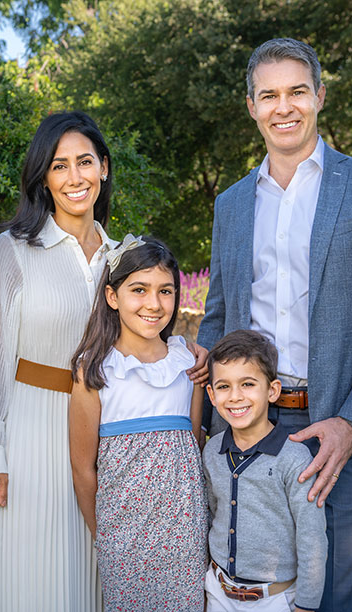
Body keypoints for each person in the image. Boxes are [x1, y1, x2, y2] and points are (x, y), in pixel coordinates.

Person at [197, 38, 352, 612]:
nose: (284, 106)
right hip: (249, 426)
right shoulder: (231, 204)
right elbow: (218, 319)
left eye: (297, 91)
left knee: (333, 598)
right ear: (251, 106)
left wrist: (351, 423)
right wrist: (201, 421)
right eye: (268, 95)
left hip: (335, 431)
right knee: (251, 591)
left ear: (319, 96)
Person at [0, 111, 208, 611]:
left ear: (105, 169)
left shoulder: (123, 257)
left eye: (85, 162)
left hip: (111, 436)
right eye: (59, 165)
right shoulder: (14, 249)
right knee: (37, 573)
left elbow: (148, 331)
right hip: (32, 428)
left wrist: (192, 352)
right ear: (43, 177)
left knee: (103, 572)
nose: (75, 177)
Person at [68, 236, 209, 612]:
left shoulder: (188, 364)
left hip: (185, 538)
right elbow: (83, 469)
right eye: (139, 290)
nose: (154, 303)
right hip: (124, 540)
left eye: (166, 291)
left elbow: (191, 447)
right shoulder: (95, 371)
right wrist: (104, 537)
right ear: (113, 297)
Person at [202, 329, 326, 612]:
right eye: (223, 387)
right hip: (219, 592)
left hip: (274, 600)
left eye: (247, 384)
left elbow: (312, 538)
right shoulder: (211, 452)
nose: (235, 397)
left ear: (272, 390)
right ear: (211, 394)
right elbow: (212, 512)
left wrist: (306, 605)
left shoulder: (294, 459)